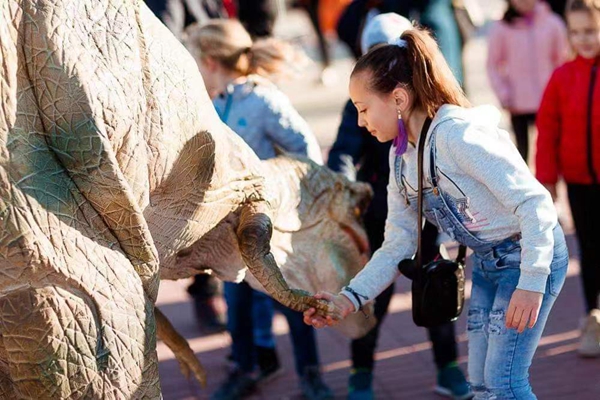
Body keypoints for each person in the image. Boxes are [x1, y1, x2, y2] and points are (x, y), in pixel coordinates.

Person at [304, 25, 569, 400]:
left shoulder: (455, 135)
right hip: (491, 264)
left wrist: (531, 281)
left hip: (529, 256)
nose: (361, 121)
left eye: (363, 109)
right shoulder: (400, 158)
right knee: (481, 386)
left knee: (504, 384)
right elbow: (397, 243)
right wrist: (348, 298)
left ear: (398, 98)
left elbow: (535, 203)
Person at [184, 19, 332, 400]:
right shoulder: (204, 103)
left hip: (268, 225)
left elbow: (306, 152)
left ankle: (311, 376)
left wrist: (284, 192)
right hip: (226, 227)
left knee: (288, 298)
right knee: (239, 305)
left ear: (212, 61)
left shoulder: (263, 100)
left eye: (196, 60)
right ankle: (246, 369)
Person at [327, 13, 471, 400]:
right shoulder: (361, 106)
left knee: (436, 287)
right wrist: (350, 188)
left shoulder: (443, 126)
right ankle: (361, 372)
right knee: (373, 297)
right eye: (374, 53)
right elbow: (342, 152)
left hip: (429, 216)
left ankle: (448, 365)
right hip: (380, 212)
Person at [536, 0, 600, 358]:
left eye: (590, 30)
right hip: (579, 182)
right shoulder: (562, 77)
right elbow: (548, 129)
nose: (583, 39)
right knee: (589, 252)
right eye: (575, 32)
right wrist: (547, 178)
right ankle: (593, 316)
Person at [487, 0, 568, 163]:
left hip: (548, 101)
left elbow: (563, 60)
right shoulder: (501, 28)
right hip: (518, 103)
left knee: (552, 152)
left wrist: (562, 94)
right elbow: (493, 65)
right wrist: (504, 94)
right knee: (521, 155)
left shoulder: (552, 23)